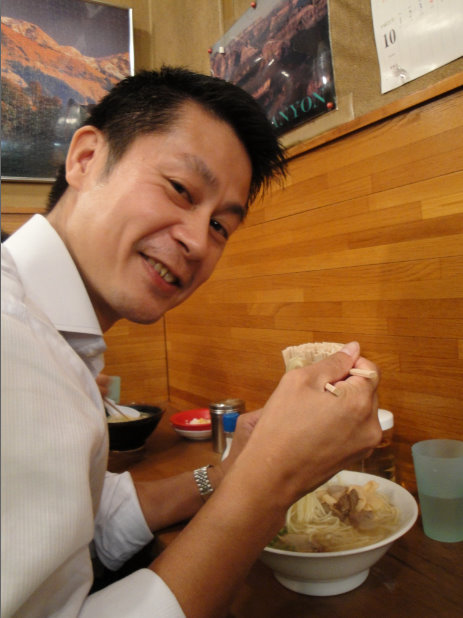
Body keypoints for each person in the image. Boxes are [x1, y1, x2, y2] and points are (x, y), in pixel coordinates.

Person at [1, 67, 381, 618]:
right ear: (85, 159)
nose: (199, 242)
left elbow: (80, 518)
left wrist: (230, 472)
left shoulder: (53, 334)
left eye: (221, 226)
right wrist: (272, 478)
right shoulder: (13, 338)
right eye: (180, 190)